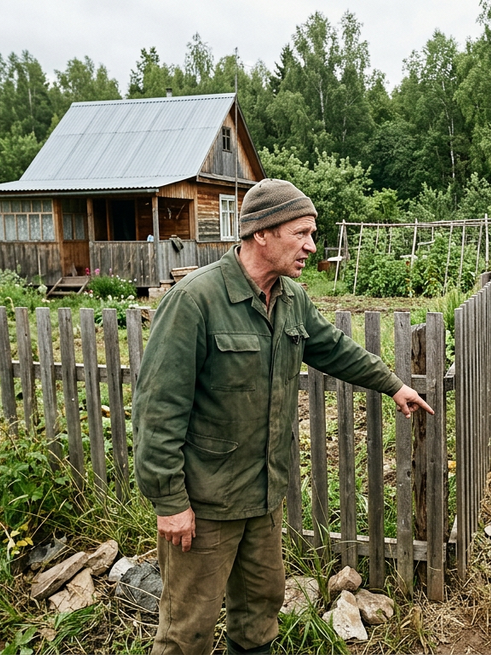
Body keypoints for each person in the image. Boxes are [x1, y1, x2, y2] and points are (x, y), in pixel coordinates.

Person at [133, 178, 433, 655]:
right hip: (205, 504)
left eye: (312, 234)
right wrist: (169, 501)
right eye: (301, 233)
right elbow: (157, 410)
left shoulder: (291, 298)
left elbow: (334, 348)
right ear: (261, 233)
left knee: (260, 616)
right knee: (187, 630)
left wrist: (392, 384)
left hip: (264, 495)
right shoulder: (196, 300)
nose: (311, 246)